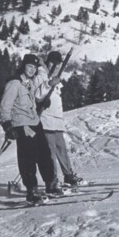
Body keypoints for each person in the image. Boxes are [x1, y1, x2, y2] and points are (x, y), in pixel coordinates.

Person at [0, 53, 62, 204]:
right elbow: (4, 106)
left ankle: (50, 185)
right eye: (29, 66)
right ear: (23, 66)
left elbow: (34, 98)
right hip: (22, 124)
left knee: (44, 154)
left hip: (34, 122)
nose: (32, 70)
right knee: (28, 158)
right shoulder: (14, 83)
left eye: (34, 67)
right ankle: (31, 190)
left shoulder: (29, 83)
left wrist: (41, 103)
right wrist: (7, 125)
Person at [34, 51, 83, 187]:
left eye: (57, 64)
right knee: (49, 152)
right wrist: (49, 84)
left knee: (62, 149)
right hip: (45, 118)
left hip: (56, 119)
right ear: (47, 62)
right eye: (53, 64)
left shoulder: (54, 76)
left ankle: (68, 175)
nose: (55, 66)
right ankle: (52, 180)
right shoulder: (40, 76)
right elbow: (37, 95)